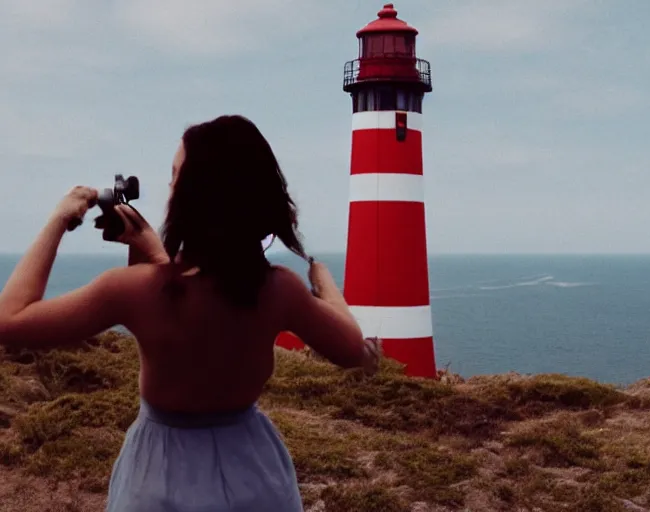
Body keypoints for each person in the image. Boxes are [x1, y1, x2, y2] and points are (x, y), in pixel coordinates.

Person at [0, 115, 381, 511]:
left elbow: (10, 320)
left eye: (175, 175)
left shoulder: (131, 290)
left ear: (194, 196)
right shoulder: (279, 288)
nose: (168, 187)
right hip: (252, 474)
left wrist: (60, 217)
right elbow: (351, 348)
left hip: (159, 479)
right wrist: (325, 285)